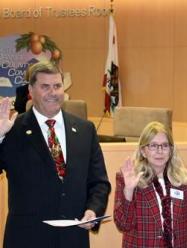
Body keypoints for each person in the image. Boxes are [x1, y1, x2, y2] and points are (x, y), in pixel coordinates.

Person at [0, 61, 111, 248]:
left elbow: (99, 182)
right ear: (31, 90)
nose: (53, 93)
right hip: (26, 238)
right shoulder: (13, 129)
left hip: (73, 238)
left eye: (57, 86)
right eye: (45, 87)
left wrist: (93, 209)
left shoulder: (85, 129)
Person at [114, 121, 187, 248]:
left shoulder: (184, 177)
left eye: (165, 145)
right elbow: (123, 225)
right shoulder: (129, 178)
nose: (160, 151)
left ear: (171, 150)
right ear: (143, 151)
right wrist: (128, 190)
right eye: (153, 145)